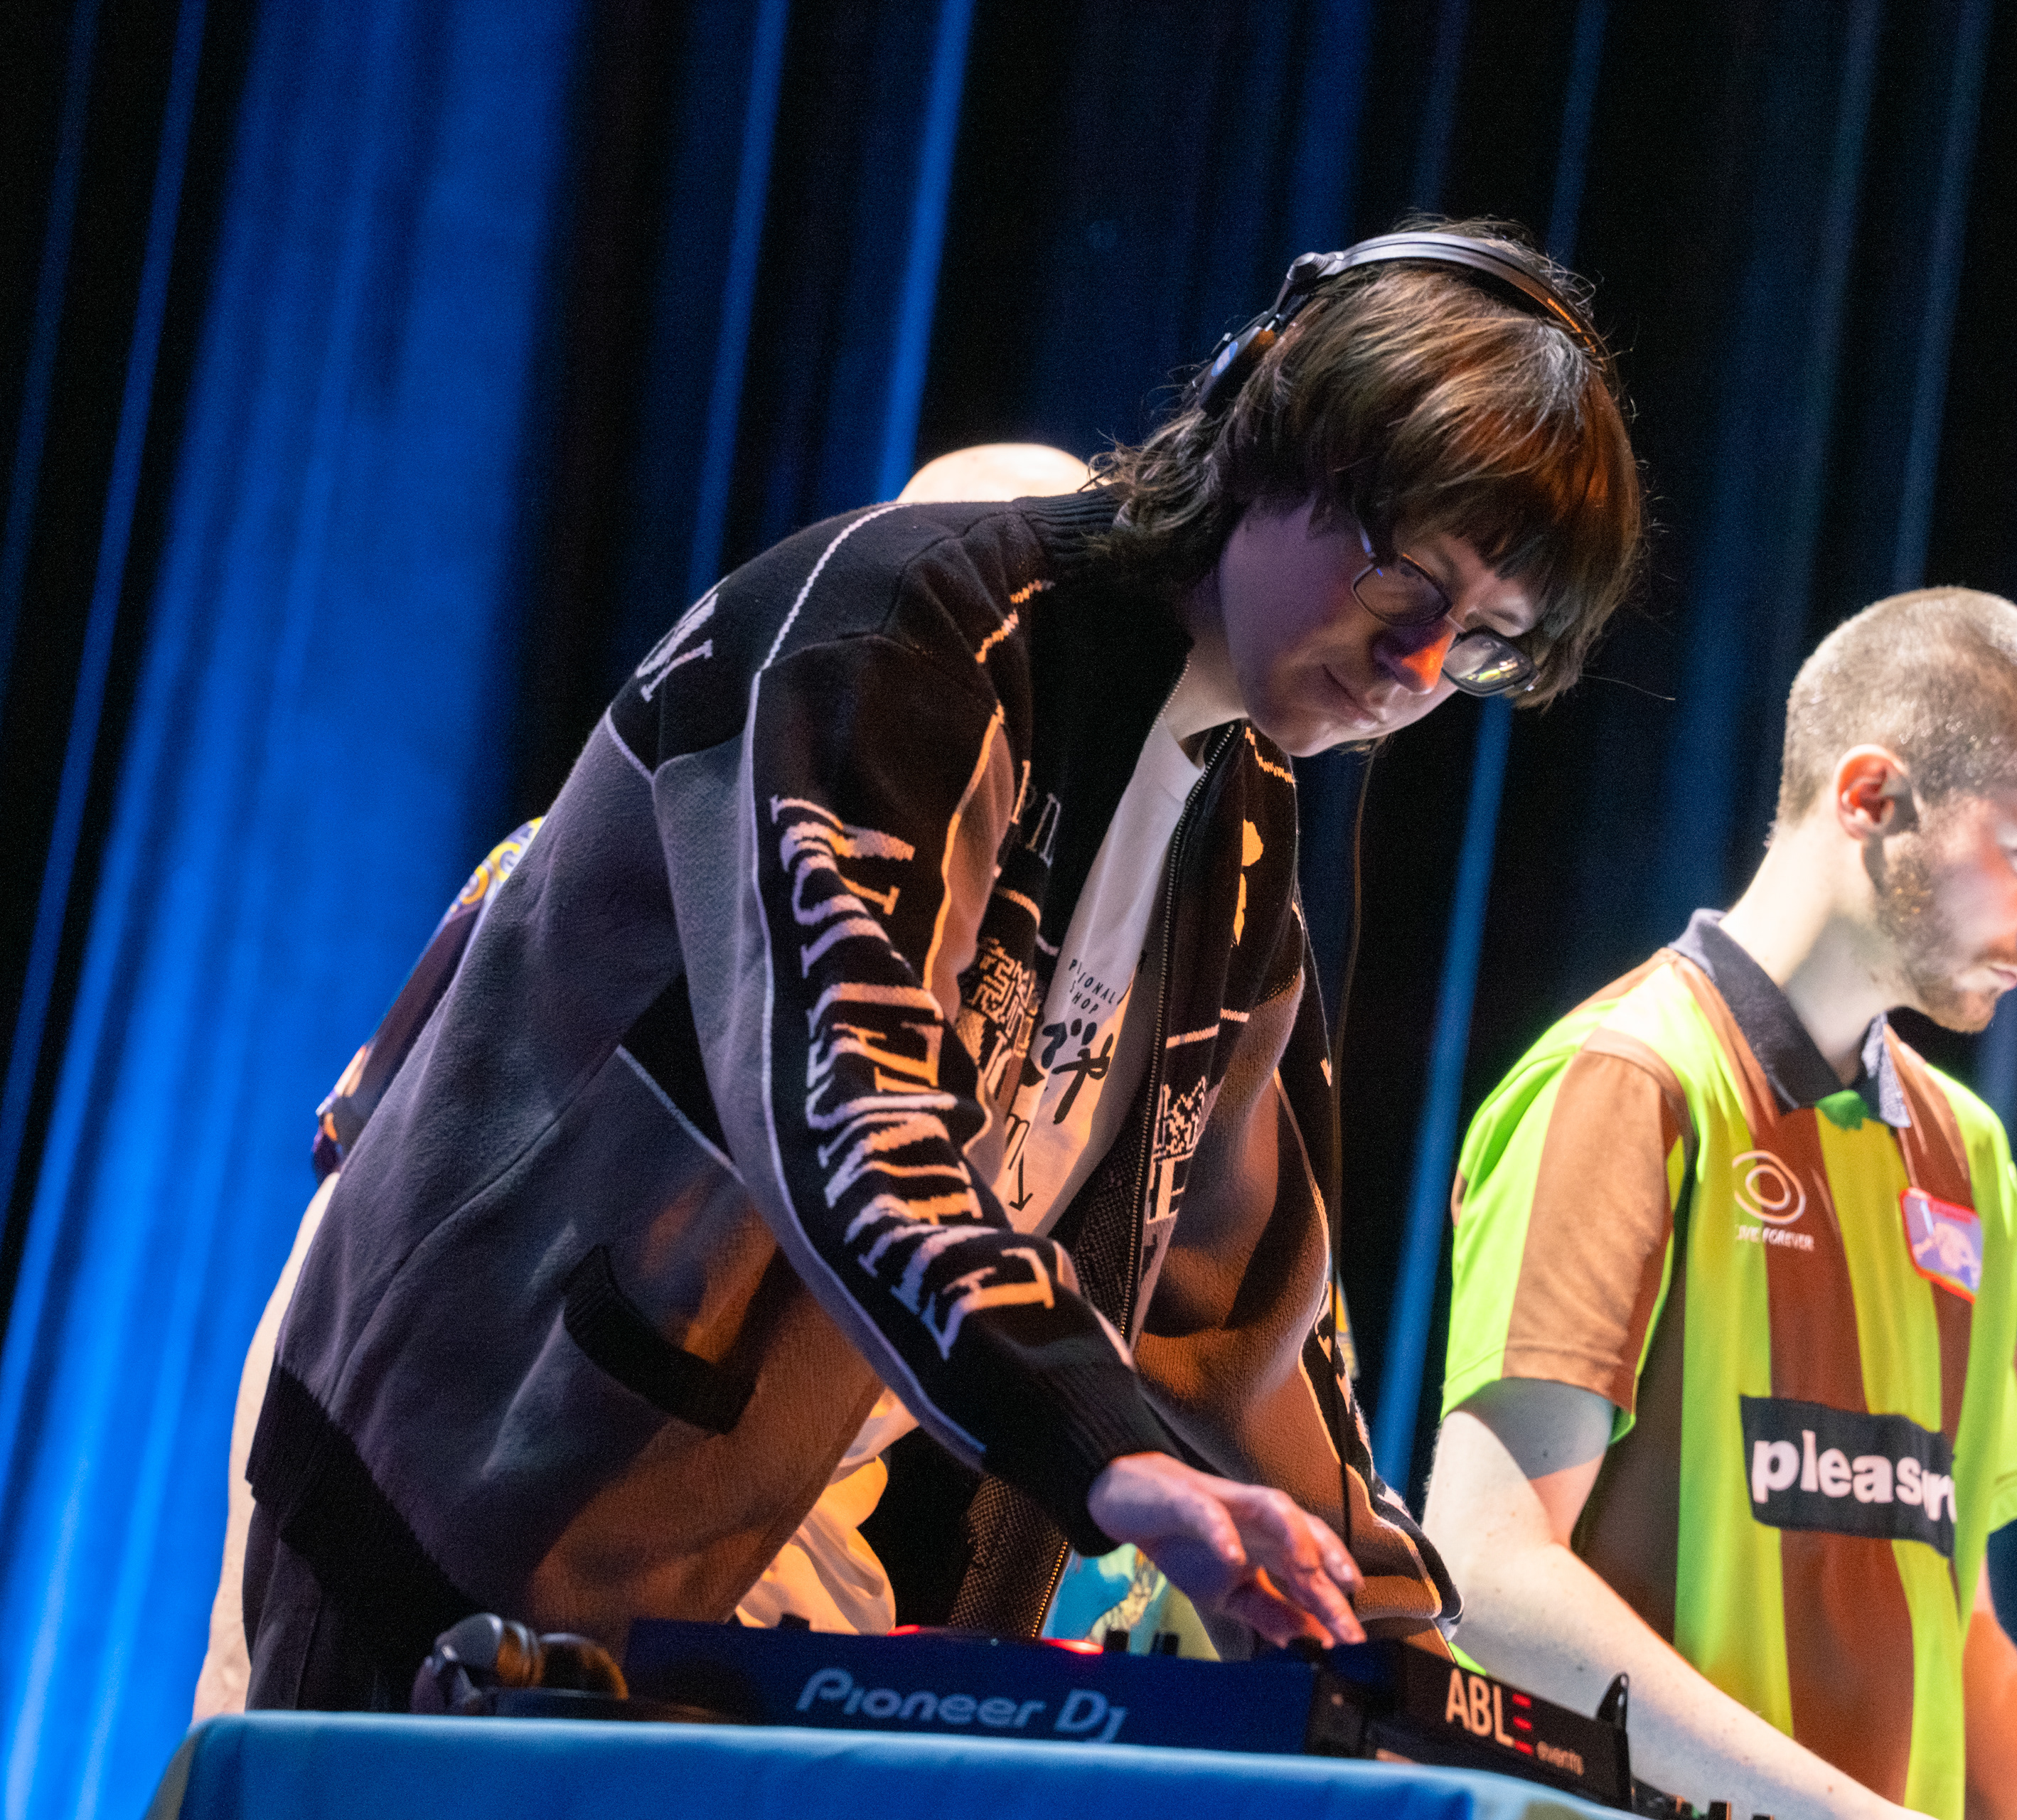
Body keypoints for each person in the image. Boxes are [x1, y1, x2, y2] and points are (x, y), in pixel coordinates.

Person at [242, 223, 1643, 1711]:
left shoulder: (1239, 829)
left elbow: (1247, 1306)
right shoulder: (901, 636)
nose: (1417, 669)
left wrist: (1398, 1651)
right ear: (1269, 422)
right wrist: (1112, 1454)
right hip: (470, 1501)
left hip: (742, 1557)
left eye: (1481, 642)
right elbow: (850, 1110)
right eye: (1405, 578)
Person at [1423, 589, 2017, 1820]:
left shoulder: (1969, 1154)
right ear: (1871, 797)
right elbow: (1490, 1573)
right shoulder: (1629, 1081)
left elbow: (1959, 1623)